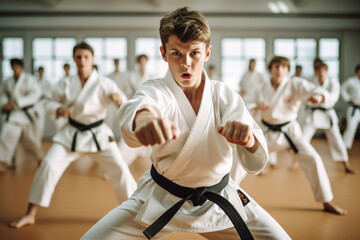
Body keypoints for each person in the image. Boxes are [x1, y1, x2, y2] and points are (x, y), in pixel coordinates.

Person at [81, 7, 290, 240]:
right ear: (163, 53)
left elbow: (255, 157)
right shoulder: (157, 89)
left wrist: (249, 140)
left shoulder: (223, 95)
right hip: (161, 197)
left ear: (208, 52)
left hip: (219, 198)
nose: (186, 63)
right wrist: (145, 118)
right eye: (176, 53)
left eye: (194, 53)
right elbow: (140, 104)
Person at [8, 42, 137, 228]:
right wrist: (58, 108)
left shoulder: (104, 82)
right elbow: (48, 101)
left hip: (98, 134)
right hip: (71, 133)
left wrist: (119, 101)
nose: (82, 61)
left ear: (92, 59)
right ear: (74, 59)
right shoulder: (66, 82)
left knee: (121, 169)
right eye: (78, 57)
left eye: (86, 57)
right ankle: (30, 213)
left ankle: (135, 214)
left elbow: (122, 100)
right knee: (48, 165)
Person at [248, 56, 347, 215]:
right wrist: (256, 106)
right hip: (267, 132)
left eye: (283, 67)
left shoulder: (294, 84)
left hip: (290, 132)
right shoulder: (261, 87)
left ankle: (326, 200)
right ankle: (225, 200)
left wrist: (319, 97)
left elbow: (314, 90)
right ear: (270, 69)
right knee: (239, 161)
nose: (279, 70)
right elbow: (246, 102)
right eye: (276, 66)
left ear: (287, 70)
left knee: (313, 159)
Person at [299, 63, 355, 173]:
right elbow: (304, 96)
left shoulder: (333, 83)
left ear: (327, 72)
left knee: (337, 141)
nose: (321, 73)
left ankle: (346, 164)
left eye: (323, 71)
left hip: (327, 115)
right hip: (312, 115)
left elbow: (333, 97)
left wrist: (321, 98)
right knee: (302, 139)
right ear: (316, 72)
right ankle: (296, 162)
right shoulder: (311, 83)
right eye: (319, 71)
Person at [0, 58, 42, 173]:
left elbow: (36, 94)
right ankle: (2, 162)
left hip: (26, 114)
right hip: (13, 114)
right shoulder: (7, 81)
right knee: (6, 136)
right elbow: (3, 94)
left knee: (31, 140)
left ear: (21, 67)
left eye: (17, 66)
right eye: (13, 66)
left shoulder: (29, 79)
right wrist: (5, 104)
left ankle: (39, 158)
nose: (15, 68)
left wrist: (18, 102)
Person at [341, 63, 360, 149]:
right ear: (357, 71)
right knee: (351, 128)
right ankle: (344, 146)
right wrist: (348, 98)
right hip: (354, 108)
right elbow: (342, 88)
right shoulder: (351, 81)